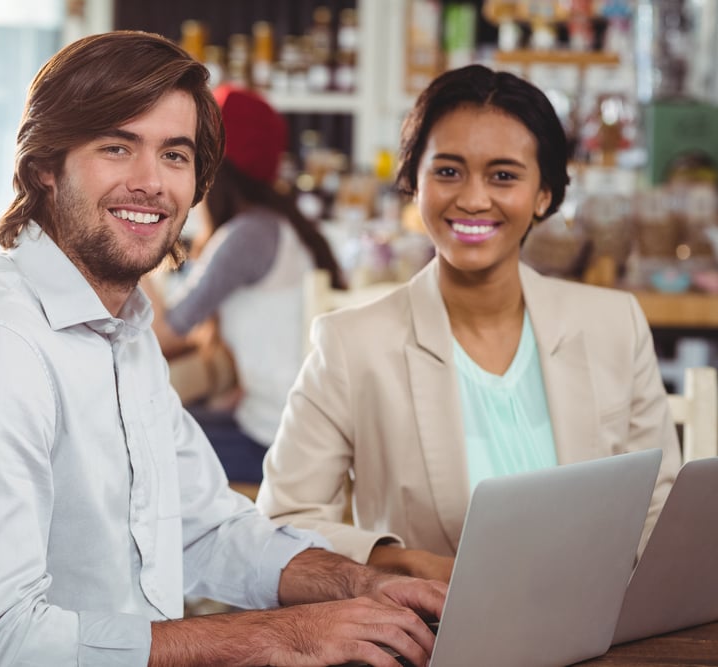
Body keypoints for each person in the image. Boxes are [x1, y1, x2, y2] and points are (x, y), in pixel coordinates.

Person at [0, 31, 445, 667]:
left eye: (175, 155)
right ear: (45, 167)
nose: (150, 182)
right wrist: (283, 635)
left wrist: (365, 584)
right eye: (117, 147)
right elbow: (2, 646)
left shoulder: (121, 329)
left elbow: (206, 530)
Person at [256, 64, 681, 583]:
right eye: (448, 171)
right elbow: (282, 522)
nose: (474, 199)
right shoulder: (351, 345)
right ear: (414, 183)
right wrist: (402, 563)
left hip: (603, 631)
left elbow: (661, 507)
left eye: (503, 175)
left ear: (543, 193)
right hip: (433, 638)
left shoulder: (614, 325)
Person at [143, 83, 345, 484]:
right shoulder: (278, 226)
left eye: (182, 156)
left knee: (135, 444)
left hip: (275, 447)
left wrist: (139, 251)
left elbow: (161, 336)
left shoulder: (247, 236)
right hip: (290, 435)